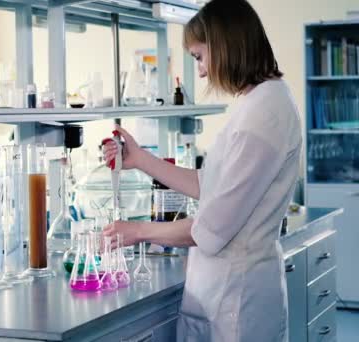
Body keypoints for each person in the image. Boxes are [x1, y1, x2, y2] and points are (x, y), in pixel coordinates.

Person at [102, 0, 301, 341]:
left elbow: (210, 229)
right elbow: (210, 186)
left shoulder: (262, 117)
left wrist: (136, 230)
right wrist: (140, 159)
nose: (202, 71)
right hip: (231, 291)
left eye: (199, 57)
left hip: (236, 302)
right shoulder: (260, 102)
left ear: (225, 46)